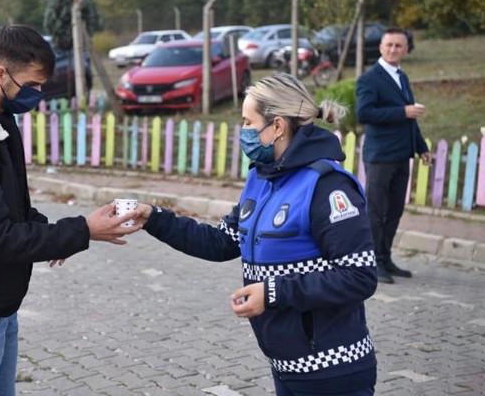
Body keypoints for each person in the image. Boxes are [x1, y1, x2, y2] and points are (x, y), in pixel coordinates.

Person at [0, 25, 140, 396]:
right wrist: (82, 230)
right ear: (0, 73)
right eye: (32, 85)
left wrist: (61, 238)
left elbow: (14, 211)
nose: (38, 94)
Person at [135, 73, 378, 395]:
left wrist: (273, 292)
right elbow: (222, 241)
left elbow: (359, 275)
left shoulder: (328, 186)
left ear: (277, 126)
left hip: (332, 369)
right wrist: (154, 217)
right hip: (287, 365)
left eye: (249, 123)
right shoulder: (261, 179)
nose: (243, 132)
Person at [356, 27, 433, 284]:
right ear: (380, 47)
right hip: (379, 156)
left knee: (395, 210)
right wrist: (403, 112)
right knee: (376, 211)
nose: (393, 50)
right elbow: (364, 113)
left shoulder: (402, 77)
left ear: (406, 50)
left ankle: (385, 257)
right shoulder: (369, 79)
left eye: (398, 46)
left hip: (402, 155)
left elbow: (411, 120)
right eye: (389, 45)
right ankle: (372, 263)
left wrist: (421, 147)